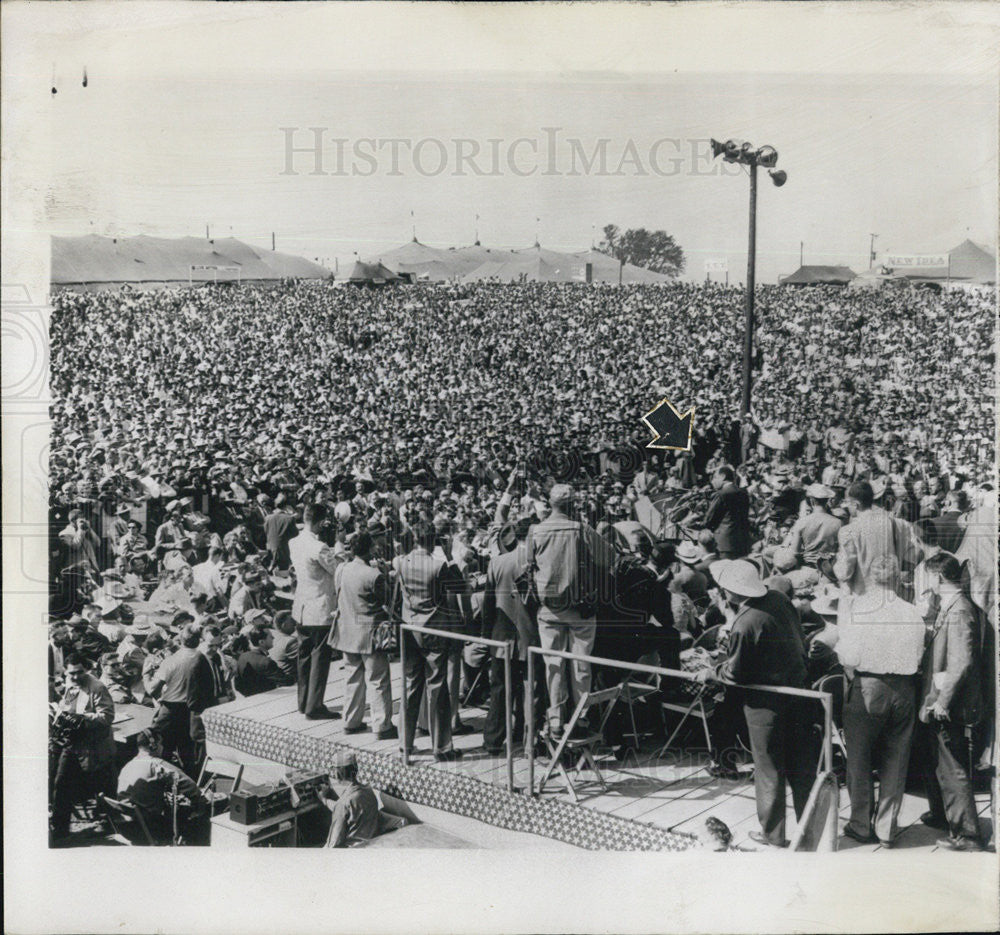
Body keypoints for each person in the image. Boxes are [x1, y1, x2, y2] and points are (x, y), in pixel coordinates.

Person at [699, 560, 814, 848]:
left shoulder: (744, 622)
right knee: (802, 767)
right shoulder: (779, 599)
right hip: (799, 693)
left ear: (730, 593)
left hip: (765, 704)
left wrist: (710, 672)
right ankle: (812, 829)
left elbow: (734, 674)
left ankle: (773, 835)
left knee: (769, 769)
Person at [836, 555, 926, 846]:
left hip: (868, 686)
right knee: (896, 760)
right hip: (904, 689)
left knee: (859, 760)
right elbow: (918, 654)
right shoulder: (912, 612)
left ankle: (861, 823)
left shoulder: (859, 609)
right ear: (898, 579)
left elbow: (848, 656)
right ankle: (887, 828)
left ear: (871, 578)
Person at [528, 483, 610, 740]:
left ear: (550, 504)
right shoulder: (581, 529)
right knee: (581, 666)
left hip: (549, 610)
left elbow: (527, 567)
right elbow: (609, 558)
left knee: (553, 667)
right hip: (581, 609)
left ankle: (555, 720)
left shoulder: (536, 531)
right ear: (573, 505)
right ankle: (581, 718)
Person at [917, 553, 985, 851]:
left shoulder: (959, 611)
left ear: (938, 578)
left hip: (949, 702)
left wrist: (943, 701)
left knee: (952, 765)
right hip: (940, 697)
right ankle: (945, 816)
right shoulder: (953, 606)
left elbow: (961, 661)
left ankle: (968, 834)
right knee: (938, 761)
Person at [395, 521, 462, 761]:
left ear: (414, 538)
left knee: (411, 686)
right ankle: (441, 747)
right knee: (437, 686)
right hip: (434, 630)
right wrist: (450, 555)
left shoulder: (400, 562)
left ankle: (405, 743)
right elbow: (460, 586)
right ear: (435, 541)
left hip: (410, 628)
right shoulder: (438, 566)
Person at [480, 518, 539, 755]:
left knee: (500, 690)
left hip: (501, 637)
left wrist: (486, 635)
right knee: (530, 691)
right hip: (530, 637)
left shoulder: (497, 562)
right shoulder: (536, 563)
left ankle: (493, 740)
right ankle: (528, 742)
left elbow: (488, 604)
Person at [330, 531, 396, 739]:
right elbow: (389, 601)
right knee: (378, 680)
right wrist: (386, 575)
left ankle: (351, 721)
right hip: (370, 634)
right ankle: (382, 725)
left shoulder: (341, 569)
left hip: (347, 631)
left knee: (352, 678)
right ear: (369, 548)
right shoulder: (373, 575)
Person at [50, 653, 116, 843]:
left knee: (100, 785)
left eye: (79, 672)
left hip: (93, 746)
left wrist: (84, 718)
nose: (76, 677)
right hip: (72, 743)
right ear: (66, 672)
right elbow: (68, 705)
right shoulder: (69, 683)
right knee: (61, 784)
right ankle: (60, 829)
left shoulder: (97, 687)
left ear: (85, 669)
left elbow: (107, 717)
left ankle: (107, 824)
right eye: (72, 674)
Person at [288, 502, 341, 720]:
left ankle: (303, 701)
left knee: (304, 657)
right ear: (319, 522)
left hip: (301, 607)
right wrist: (338, 545)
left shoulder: (294, 541)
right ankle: (315, 705)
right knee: (320, 658)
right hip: (319, 609)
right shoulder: (319, 547)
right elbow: (336, 570)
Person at [117, 728, 210, 844]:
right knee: (192, 821)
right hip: (148, 829)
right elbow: (189, 785)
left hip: (127, 827)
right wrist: (200, 800)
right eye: (161, 744)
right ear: (154, 745)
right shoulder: (156, 765)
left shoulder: (127, 766)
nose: (162, 747)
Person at [147, 623, 214, 775]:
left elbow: (151, 689)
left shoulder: (171, 660)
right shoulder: (202, 659)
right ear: (199, 641)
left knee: (163, 751)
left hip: (170, 711)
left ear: (181, 640)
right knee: (188, 754)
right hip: (192, 713)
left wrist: (146, 675)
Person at [318, 752, 380, 848]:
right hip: (371, 844)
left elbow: (334, 844)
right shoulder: (368, 791)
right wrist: (324, 800)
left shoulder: (343, 804)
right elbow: (349, 810)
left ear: (337, 773)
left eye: (333, 769)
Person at [784, 483, 842, 568]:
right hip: (829, 569)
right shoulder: (838, 523)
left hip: (808, 566)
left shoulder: (802, 522)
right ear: (827, 500)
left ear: (812, 501)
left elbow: (795, 552)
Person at [703, 465, 752, 559]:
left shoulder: (721, 494)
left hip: (724, 544)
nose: (713, 481)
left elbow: (708, 520)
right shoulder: (743, 492)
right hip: (742, 541)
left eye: (715, 477)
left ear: (723, 476)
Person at [234, 627, 287, 696]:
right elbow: (286, 681)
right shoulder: (266, 662)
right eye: (270, 637)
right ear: (261, 642)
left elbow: (238, 686)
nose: (273, 638)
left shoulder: (242, 657)